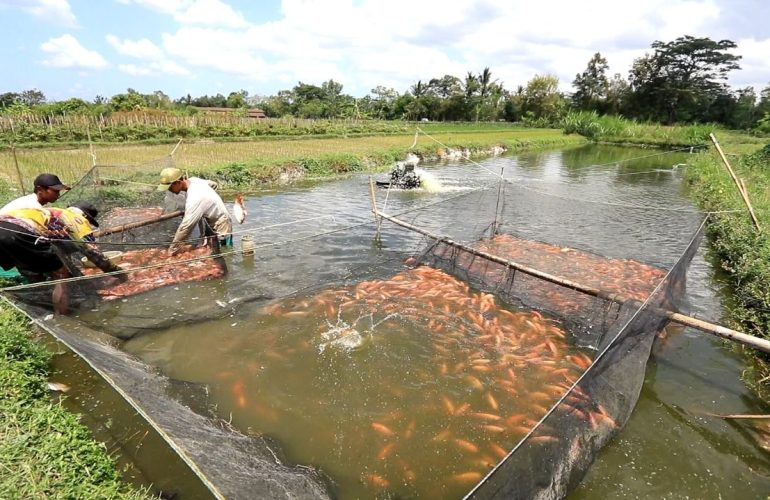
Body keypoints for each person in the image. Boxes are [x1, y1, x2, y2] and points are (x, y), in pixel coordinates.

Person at [0, 201, 125, 314]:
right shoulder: (77, 220)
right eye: (90, 222)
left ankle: (41, 309)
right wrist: (119, 273)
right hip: (18, 232)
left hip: (5, 228)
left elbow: (56, 248)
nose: (89, 225)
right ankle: (60, 317)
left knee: (32, 271)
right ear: (85, 216)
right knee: (60, 275)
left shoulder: (54, 213)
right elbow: (93, 254)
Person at [157, 167, 232, 255]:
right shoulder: (194, 180)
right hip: (208, 220)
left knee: (224, 252)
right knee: (208, 247)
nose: (169, 190)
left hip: (221, 223)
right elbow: (213, 184)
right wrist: (209, 202)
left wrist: (172, 250)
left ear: (177, 182)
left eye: (169, 187)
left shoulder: (195, 197)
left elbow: (186, 227)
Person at [0, 173, 70, 213]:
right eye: (55, 191)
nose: (58, 194)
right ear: (40, 190)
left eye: (58, 191)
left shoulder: (28, 200)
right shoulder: (32, 207)